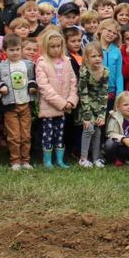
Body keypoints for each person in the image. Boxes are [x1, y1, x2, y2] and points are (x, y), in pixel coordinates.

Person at [35, 28, 77, 168]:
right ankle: (47, 161)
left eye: (58, 46)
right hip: (50, 107)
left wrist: (71, 100)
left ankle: (59, 160)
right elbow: (44, 87)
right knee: (48, 134)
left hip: (65, 106)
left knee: (60, 134)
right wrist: (61, 103)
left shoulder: (67, 61)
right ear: (46, 47)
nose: (55, 49)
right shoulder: (42, 63)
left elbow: (73, 82)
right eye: (52, 46)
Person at [0, 35, 37, 171]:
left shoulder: (28, 65)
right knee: (14, 135)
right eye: (11, 50)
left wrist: (33, 86)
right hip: (10, 105)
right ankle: (15, 161)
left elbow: (32, 79)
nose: (15, 53)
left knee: (26, 134)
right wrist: (1, 87)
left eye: (17, 49)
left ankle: (26, 160)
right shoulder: (1, 67)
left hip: (25, 103)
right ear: (5, 51)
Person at [76, 42, 109, 168]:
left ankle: (96, 159)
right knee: (89, 128)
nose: (98, 59)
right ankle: (83, 158)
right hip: (86, 106)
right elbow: (83, 93)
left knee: (98, 131)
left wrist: (101, 115)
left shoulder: (105, 72)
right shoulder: (84, 72)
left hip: (98, 106)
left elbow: (103, 94)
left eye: (100, 56)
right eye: (94, 56)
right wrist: (87, 116)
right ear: (87, 58)